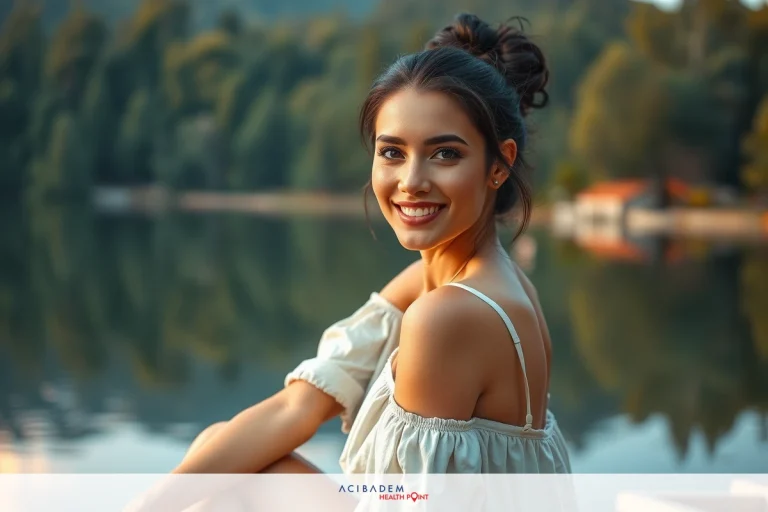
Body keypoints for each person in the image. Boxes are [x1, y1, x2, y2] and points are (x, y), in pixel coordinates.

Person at [172, 12, 571, 476]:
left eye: (445, 153)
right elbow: (296, 408)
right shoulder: (481, 282)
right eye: (392, 153)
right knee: (217, 446)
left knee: (237, 485)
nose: (411, 181)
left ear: (499, 165)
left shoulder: (449, 314)